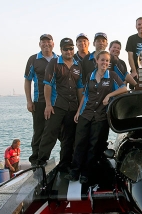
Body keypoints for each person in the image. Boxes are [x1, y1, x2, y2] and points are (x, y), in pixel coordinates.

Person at [65, 50, 127, 183]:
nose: (104, 62)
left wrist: (109, 95)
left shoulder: (112, 75)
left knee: (93, 146)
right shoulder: (90, 75)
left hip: (100, 115)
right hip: (86, 113)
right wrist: (78, 112)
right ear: (97, 61)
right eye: (102, 60)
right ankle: (75, 171)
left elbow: (124, 88)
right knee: (79, 143)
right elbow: (85, 95)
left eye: (107, 61)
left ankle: (86, 174)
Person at [36, 38, 84, 172]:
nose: (68, 51)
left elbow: (80, 88)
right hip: (56, 106)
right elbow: (47, 85)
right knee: (50, 134)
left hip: (72, 107)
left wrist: (80, 109)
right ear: (61, 50)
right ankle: (40, 162)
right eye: (65, 49)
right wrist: (48, 105)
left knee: (68, 138)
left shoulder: (77, 65)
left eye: (71, 49)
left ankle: (64, 164)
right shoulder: (54, 63)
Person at [24, 34, 57, 167]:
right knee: (38, 131)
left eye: (48, 42)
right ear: (40, 44)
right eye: (43, 42)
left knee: (53, 132)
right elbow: (27, 80)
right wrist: (29, 101)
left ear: (53, 44)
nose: (46, 44)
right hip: (39, 101)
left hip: (56, 102)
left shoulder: (58, 59)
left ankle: (45, 158)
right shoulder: (33, 59)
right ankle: (35, 161)